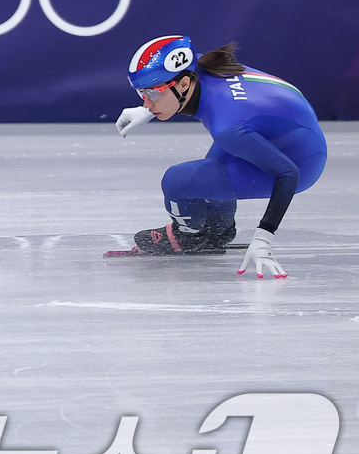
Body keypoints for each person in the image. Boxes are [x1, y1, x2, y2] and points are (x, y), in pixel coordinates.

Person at [115, 36, 327, 277]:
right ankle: (219, 230)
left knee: (177, 181)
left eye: (151, 93)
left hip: (300, 163)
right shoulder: (197, 66)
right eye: (141, 93)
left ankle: (188, 236)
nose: (146, 101)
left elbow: (288, 174)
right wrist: (149, 107)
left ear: (184, 84)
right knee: (209, 174)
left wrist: (263, 238)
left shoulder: (227, 126)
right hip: (282, 136)